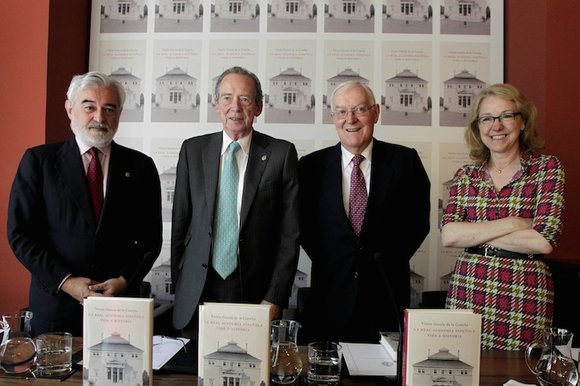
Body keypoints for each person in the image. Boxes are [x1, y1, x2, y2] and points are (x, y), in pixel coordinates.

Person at [7, 71, 163, 336]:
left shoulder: (141, 167)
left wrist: (123, 280)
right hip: (55, 309)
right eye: (89, 106)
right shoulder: (39, 162)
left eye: (109, 109)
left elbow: (150, 239)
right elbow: (21, 235)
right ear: (70, 109)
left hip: (119, 308)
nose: (99, 117)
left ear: (119, 114)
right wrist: (67, 282)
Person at [171, 66, 300, 337]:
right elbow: (180, 226)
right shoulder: (192, 151)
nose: (235, 106)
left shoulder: (281, 154)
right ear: (216, 104)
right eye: (227, 97)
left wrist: (275, 297)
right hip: (198, 292)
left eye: (245, 98)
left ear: (259, 107)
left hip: (253, 292)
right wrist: (182, 283)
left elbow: (289, 236)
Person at [299, 81, 430, 343]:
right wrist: (335, 259)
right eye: (341, 111)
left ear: (376, 113)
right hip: (330, 298)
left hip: (386, 297)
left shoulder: (405, 162)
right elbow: (303, 227)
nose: (351, 119)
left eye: (360, 109)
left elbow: (417, 223)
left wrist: (385, 259)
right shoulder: (310, 167)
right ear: (332, 117)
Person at [441, 83, 565, 350]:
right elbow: (449, 235)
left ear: (522, 121)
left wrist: (473, 233)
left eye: (506, 116)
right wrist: (515, 223)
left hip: (525, 292)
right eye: (487, 119)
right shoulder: (466, 175)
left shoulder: (547, 169)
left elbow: (543, 241)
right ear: (478, 127)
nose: (496, 126)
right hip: (469, 289)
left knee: (519, 375)